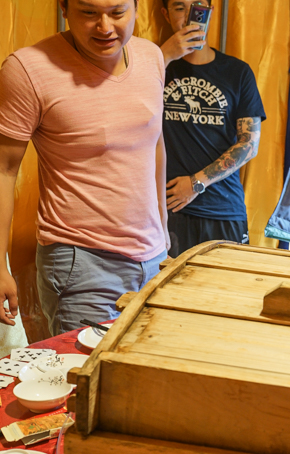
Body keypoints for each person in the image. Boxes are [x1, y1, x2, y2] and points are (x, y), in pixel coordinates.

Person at [0, 0, 169, 335]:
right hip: (80, 261)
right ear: (64, 9)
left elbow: (155, 145)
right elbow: (4, 169)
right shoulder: (28, 69)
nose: (105, 27)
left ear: (137, 8)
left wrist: (163, 231)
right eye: (89, 13)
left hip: (152, 256)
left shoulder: (152, 57)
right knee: (83, 379)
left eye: (117, 13)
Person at [159, 0, 265, 257]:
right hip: (167, 210)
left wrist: (196, 183)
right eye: (179, 7)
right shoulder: (154, 68)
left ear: (211, 11)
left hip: (223, 209)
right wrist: (162, 57)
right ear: (166, 14)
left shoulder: (237, 72)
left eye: (197, 7)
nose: (188, 17)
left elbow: (248, 145)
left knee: (227, 293)